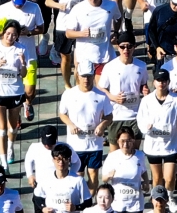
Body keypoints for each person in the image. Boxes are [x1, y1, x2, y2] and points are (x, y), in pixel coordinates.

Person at [59, 60, 113, 194]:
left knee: (94, 174)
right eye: (83, 76)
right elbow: (62, 114)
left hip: (95, 144)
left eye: (89, 76)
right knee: (78, 176)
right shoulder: (69, 94)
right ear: (77, 75)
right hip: (76, 145)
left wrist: (102, 125)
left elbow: (109, 117)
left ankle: (90, 201)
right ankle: (80, 201)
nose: (86, 79)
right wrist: (70, 125)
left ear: (93, 75)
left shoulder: (101, 96)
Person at [137, 69, 177, 211]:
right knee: (157, 177)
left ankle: (169, 198)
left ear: (168, 82)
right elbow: (140, 120)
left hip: (171, 144)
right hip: (153, 145)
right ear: (154, 82)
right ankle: (156, 201)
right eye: (159, 80)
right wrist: (146, 128)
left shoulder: (176, 99)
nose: (161, 83)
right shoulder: (146, 101)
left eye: (164, 80)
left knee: (170, 177)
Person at [0, 19, 29, 169]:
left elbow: (23, 74)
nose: (10, 37)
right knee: (1, 128)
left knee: (13, 126)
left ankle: (10, 148)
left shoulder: (21, 49)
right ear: (3, 33)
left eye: (14, 35)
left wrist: (22, 63)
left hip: (15, 91)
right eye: (8, 34)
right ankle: (3, 162)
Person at [65, 0, 121, 80]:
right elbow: (68, 33)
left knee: (102, 90)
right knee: (83, 90)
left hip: (104, 55)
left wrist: (116, 32)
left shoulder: (111, 5)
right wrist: (82, 34)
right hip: (84, 57)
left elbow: (118, 17)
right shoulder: (78, 9)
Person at [101, 126, 150, 211]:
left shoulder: (140, 155)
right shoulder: (112, 156)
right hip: (118, 203)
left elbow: (143, 170)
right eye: (122, 141)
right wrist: (109, 175)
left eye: (129, 141)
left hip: (136, 203)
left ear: (133, 141)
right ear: (118, 141)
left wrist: (146, 182)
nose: (125, 144)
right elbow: (104, 179)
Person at [33, 143, 91, 213]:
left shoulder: (78, 180)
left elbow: (88, 202)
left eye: (65, 159)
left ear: (69, 160)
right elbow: (37, 197)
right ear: (53, 160)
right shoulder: (45, 179)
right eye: (58, 159)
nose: (61, 162)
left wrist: (75, 207)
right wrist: (43, 208)